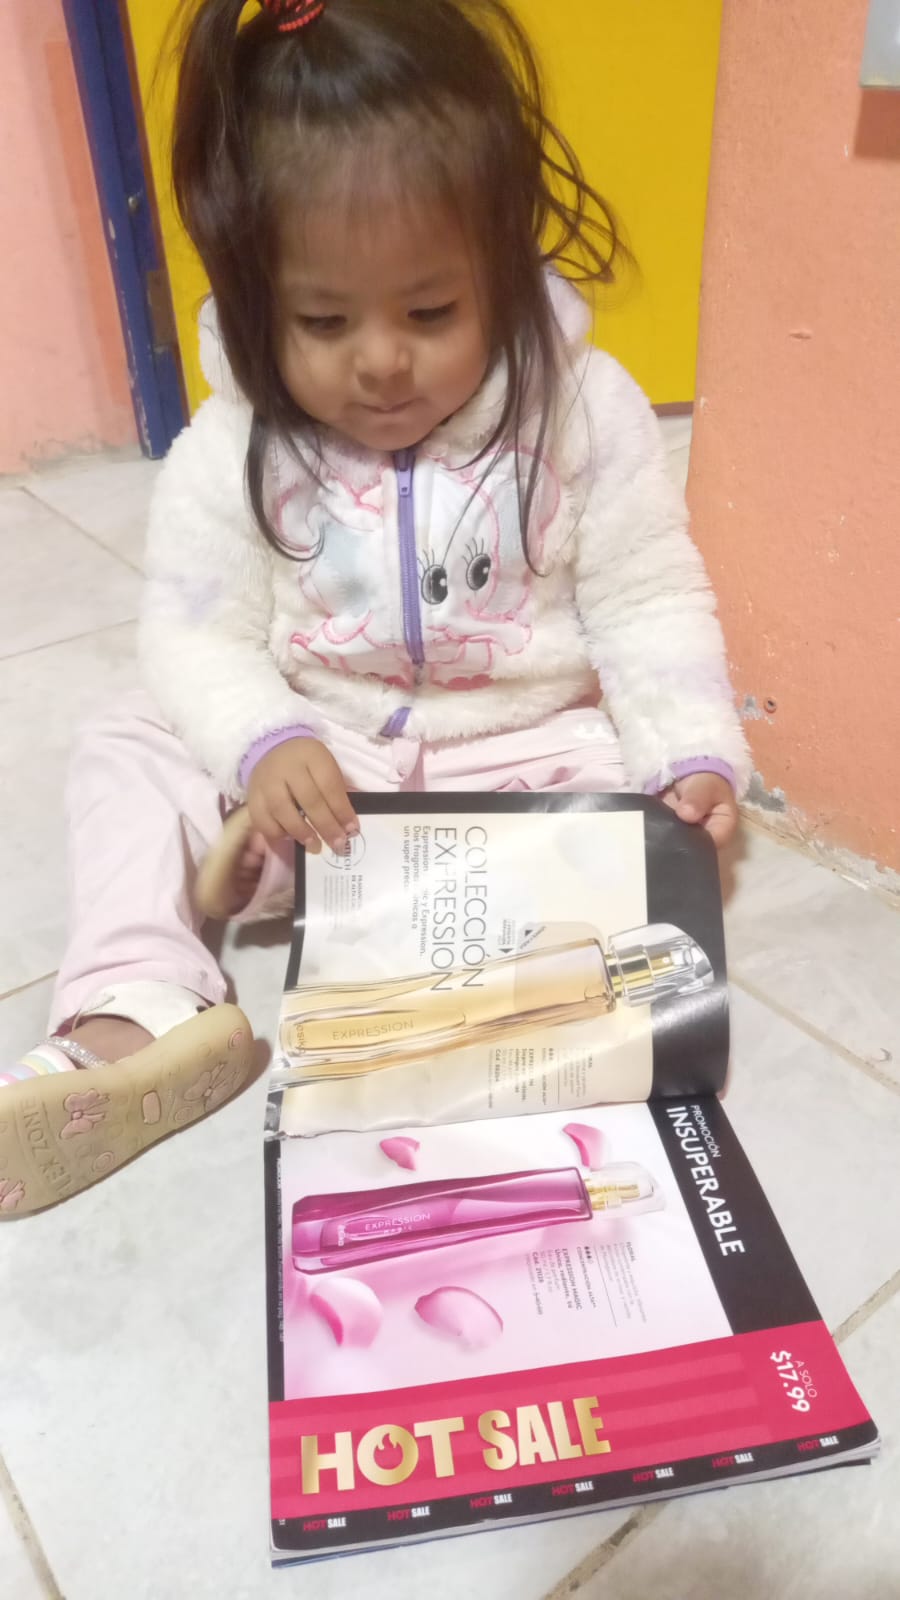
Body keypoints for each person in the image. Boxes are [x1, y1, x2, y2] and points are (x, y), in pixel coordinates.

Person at [0, 0, 749, 1219]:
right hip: (321, 782)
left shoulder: (581, 410)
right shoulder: (234, 444)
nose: (382, 361)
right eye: (324, 321)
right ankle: (138, 1012)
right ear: (255, 298)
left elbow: (648, 595)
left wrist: (691, 755)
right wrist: (265, 741)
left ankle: (489, 1007)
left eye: (431, 312)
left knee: (624, 802)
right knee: (130, 744)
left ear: (501, 264)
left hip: (516, 762)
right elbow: (195, 633)